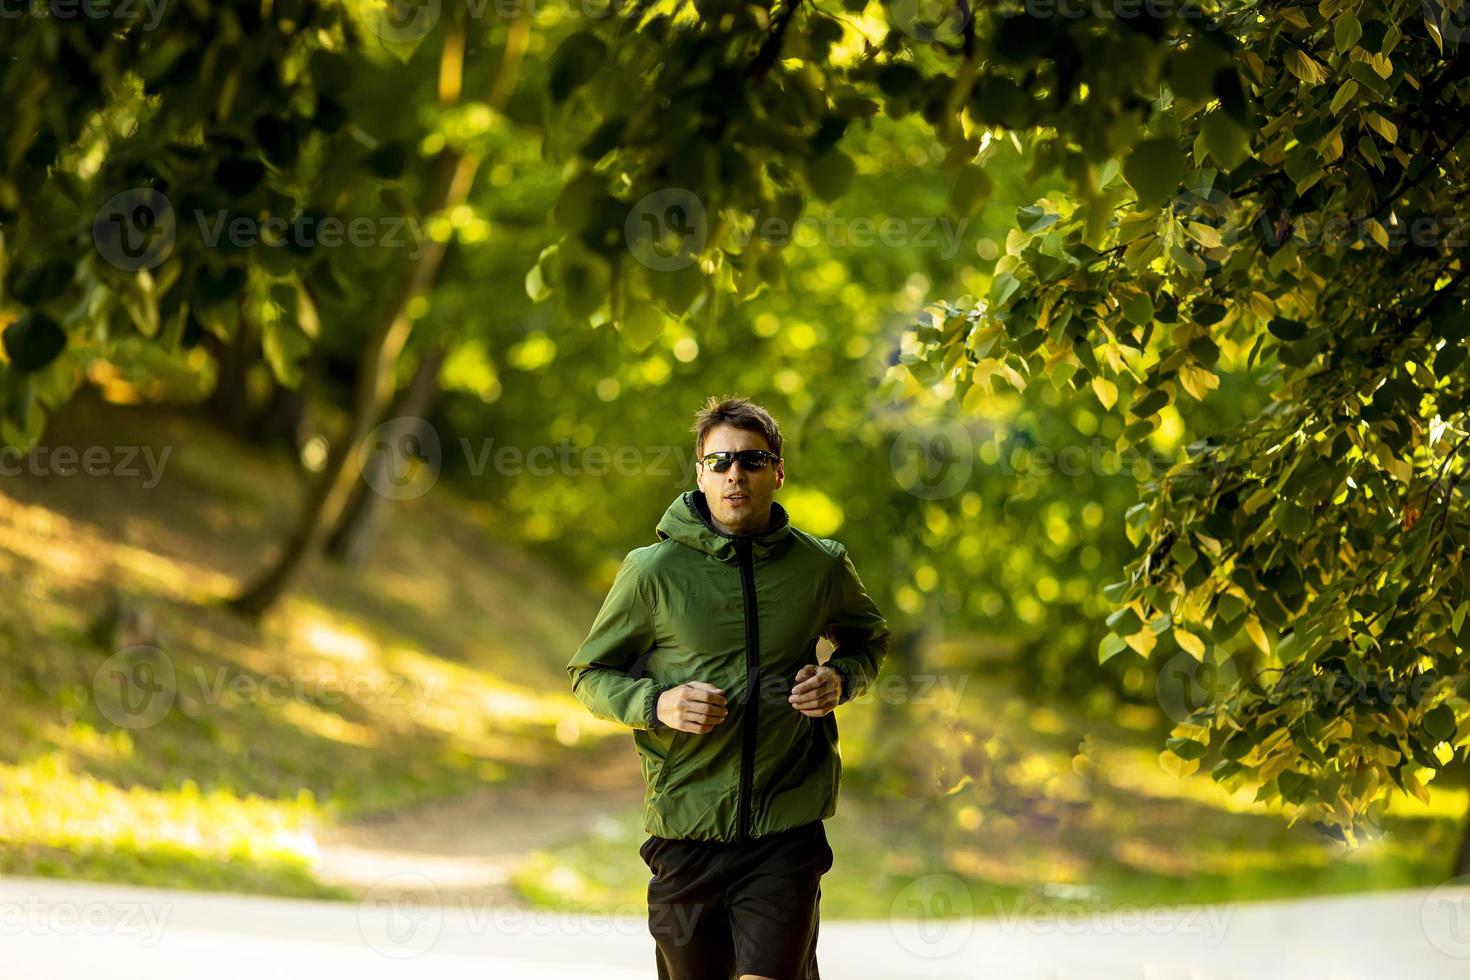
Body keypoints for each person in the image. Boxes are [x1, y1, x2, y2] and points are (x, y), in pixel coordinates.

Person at [567, 394, 891, 980]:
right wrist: (656, 702)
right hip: (685, 828)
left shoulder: (821, 566)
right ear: (700, 474)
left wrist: (839, 679)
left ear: (778, 472)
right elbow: (589, 675)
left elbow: (869, 641)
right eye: (718, 462)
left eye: (751, 460)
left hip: (785, 829)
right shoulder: (652, 571)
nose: (734, 474)